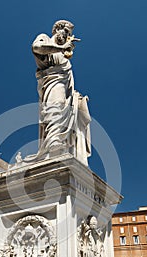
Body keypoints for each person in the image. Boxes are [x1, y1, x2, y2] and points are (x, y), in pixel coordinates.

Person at [32, 20, 91, 165]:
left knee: (64, 109)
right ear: (56, 30)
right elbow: (36, 47)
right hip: (52, 81)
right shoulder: (44, 38)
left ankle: (60, 144)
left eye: (69, 34)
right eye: (65, 32)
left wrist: (77, 99)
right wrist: (61, 47)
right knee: (55, 106)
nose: (66, 36)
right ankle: (53, 143)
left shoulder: (64, 57)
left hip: (64, 89)